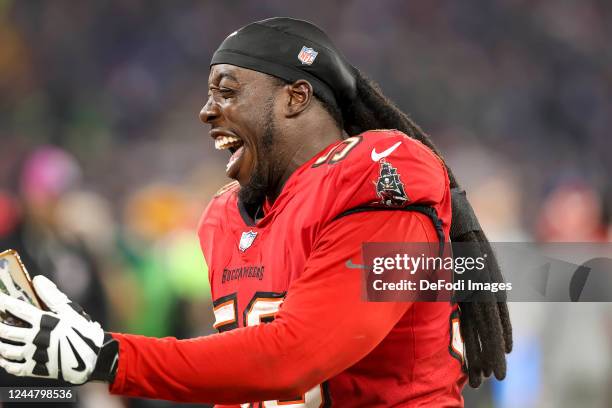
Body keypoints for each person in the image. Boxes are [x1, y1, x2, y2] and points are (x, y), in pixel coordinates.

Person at [0, 17, 512, 407]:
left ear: (295, 97)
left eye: (227, 91)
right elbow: (241, 370)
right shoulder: (226, 217)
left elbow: (295, 357)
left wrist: (111, 357)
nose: (207, 111)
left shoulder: (377, 178)